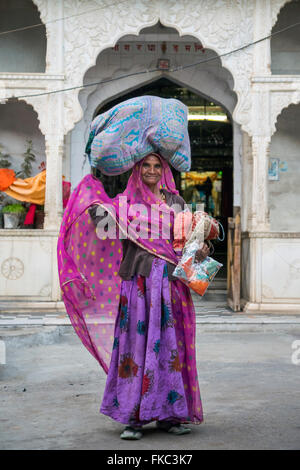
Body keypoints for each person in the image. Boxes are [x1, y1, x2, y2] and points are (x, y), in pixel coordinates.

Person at [57, 153, 209, 441]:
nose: (152, 171)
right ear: (137, 170)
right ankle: (133, 418)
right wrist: (93, 183)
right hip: (138, 287)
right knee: (135, 348)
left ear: (164, 170)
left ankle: (170, 415)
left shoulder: (176, 204)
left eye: (157, 166)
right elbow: (100, 225)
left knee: (170, 349)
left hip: (171, 287)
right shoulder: (126, 204)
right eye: (146, 166)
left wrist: (200, 251)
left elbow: (187, 246)